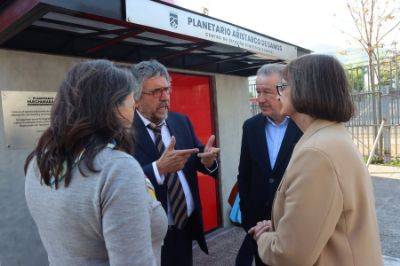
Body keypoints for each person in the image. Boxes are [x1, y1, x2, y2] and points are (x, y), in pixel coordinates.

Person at [24, 59, 167, 266]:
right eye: (130, 98)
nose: (134, 104)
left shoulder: (39, 161)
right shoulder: (117, 168)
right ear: (111, 106)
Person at [249, 54, 383, 266]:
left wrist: (264, 238)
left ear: (305, 89)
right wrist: (281, 228)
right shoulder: (331, 136)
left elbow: (290, 256)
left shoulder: (316, 152)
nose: (278, 92)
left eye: (282, 85)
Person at [130, 59, 220, 266]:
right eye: (155, 92)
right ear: (136, 98)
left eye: (167, 90)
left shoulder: (181, 121)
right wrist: (158, 169)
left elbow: (196, 158)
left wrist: (207, 162)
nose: (164, 98)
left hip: (185, 226)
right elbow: (122, 182)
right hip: (150, 235)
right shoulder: (123, 131)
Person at [236, 64, 302, 266]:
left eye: (267, 92)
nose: (260, 99)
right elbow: (244, 174)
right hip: (259, 227)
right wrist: (248, 216)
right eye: (258, 92)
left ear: (285, 90)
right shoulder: (251, 126)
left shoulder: (303, 126)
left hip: (294, 225)